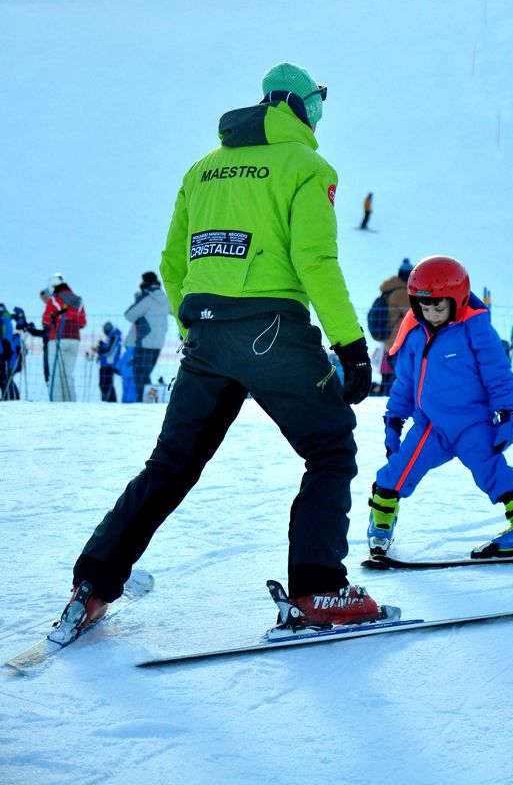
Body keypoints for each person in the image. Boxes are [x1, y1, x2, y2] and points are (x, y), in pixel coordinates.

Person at [63, 61, 388, 634]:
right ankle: (320, 590)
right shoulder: (307, 166)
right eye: (316, 102)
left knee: (170, 465)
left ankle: (93, 582)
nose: (319, 113)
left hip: (208, 333)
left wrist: (198, 331)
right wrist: (351, 346)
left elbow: (171, 262)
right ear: (293, 104)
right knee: (331, 449)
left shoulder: (202, 170)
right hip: (273, 331)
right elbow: (315, 260)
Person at [367, 255, 513, 559]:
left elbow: (498, 373)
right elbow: (404, 384)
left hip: (472, 424)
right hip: (430, 426)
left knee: (491, 470)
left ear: (456, 300)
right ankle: (380, 521)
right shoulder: (414, 334)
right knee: (398, 470)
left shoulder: (475, 329)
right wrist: (394, 422)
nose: (431, 313)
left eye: (439, 307)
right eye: (424, 306)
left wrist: (509, 413)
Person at [123, 272, 170, 402]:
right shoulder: (166, 299)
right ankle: (148, 401)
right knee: (146, 374)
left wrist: (139, 297)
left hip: (144, 341)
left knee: (139, 375)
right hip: (159, 342)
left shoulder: (147, 298)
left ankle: (142, 402)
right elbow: (175, 312)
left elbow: (129, 315)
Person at [42, 273, 86, 402]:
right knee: (68, 374)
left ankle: (56, 403)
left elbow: (46, 320)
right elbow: (83, 322)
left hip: (57, 338)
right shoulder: (79, 300)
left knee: (55, 374)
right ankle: (71, 402)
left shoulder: (54, 300)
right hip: (74, 339)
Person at [378, 258, 413, 395]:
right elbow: (413, 315)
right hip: (399, 339)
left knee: (394, 374)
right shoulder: (402, 293)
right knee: (401, 375)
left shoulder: (389, 291)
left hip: (390, 341)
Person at [94, 322, 122, 402]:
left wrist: (100, 350)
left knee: (105, 384)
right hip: (106, 364)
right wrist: (102, 345)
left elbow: (110, 350)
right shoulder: (112, 336)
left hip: (109, 364)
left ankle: (109, 402)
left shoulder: (114, 336)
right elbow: (109, 347)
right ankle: (108, 401)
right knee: (105, 384)